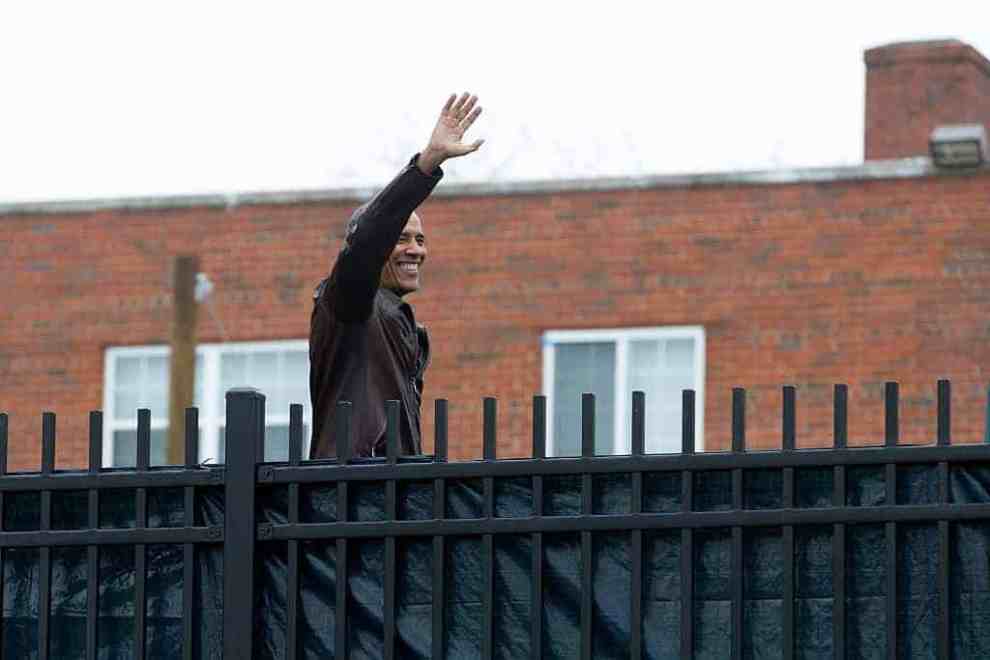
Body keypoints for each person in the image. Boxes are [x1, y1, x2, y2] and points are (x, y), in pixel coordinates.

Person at [309, 93, 484, 459]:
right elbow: (368, 241)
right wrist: (427, 165)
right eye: (401, 238)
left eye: (420, 240)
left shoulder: (398, 323)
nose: (415, 250)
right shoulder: (348, 304)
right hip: (350, 497)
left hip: (391, 496)